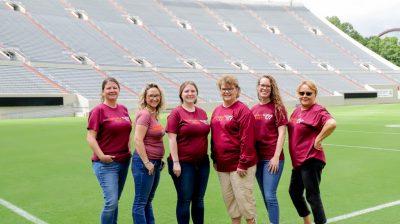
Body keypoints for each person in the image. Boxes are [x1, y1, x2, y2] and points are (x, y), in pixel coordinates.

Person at [210, 75, 258, 224]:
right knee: (231, 204)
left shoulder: (242, 110)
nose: (227, 92)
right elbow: (214, 137)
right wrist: (214, 158)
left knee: (245, 203)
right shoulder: (217, 111)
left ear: (237, 90)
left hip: (240, 165)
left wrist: (243, 162)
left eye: (230, 89)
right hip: (222, 165)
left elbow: (247, 138)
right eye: (224, 89)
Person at [288, 80, 337, 224]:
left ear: (315, 94)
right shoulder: (297, 110)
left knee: (312, 195)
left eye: (308, 93)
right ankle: (307, 221)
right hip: (298, 161)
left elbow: (332, 123)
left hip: (311, 159)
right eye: (301, 93)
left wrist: (318, 139)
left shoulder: (318, 110)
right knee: (294, 193)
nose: (304, 96)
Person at [86, 77, 132, 224]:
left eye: (115, 88)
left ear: (119, 90)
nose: (112, 90)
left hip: (124, 161)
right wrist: (101, 156)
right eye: (109, 88)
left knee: (115, 201)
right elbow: (90, 137)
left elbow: (127, 131)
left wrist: (129, 149)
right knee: (111, 202)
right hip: (106, 164)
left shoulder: (123, 109)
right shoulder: (98, 110)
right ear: (103, 92)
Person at [166, 81, 210, 224]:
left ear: (196, 94)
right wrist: (176, 162)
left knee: (199, 199)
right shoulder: (176, 113)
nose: (190, 93)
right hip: (183, 164)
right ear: (181, 94)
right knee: (185, 199)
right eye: (186, 91)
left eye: (193, 91)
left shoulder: (202, 112)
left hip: (202, 163)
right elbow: (172, 139)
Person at [251, 75, 288, 224]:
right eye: (262, 85)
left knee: (270, 194)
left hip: (272, 158)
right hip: (257, 159)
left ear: (272, 89)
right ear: (257, 87)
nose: (264, 88)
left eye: (268, 86)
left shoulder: (278, 108)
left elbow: (282, 133)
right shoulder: (253, 109)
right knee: (265, 194)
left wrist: (275, 156)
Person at [132, 83, 165, 224]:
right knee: (140, 202)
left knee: (147, 200)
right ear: (145, 98)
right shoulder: (145, 114)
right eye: (151, 95)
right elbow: (138, 139)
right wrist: (146, 162)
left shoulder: (153, 114)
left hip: (155, 162)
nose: (154, 98)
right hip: (144, 163)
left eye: (156, 95)